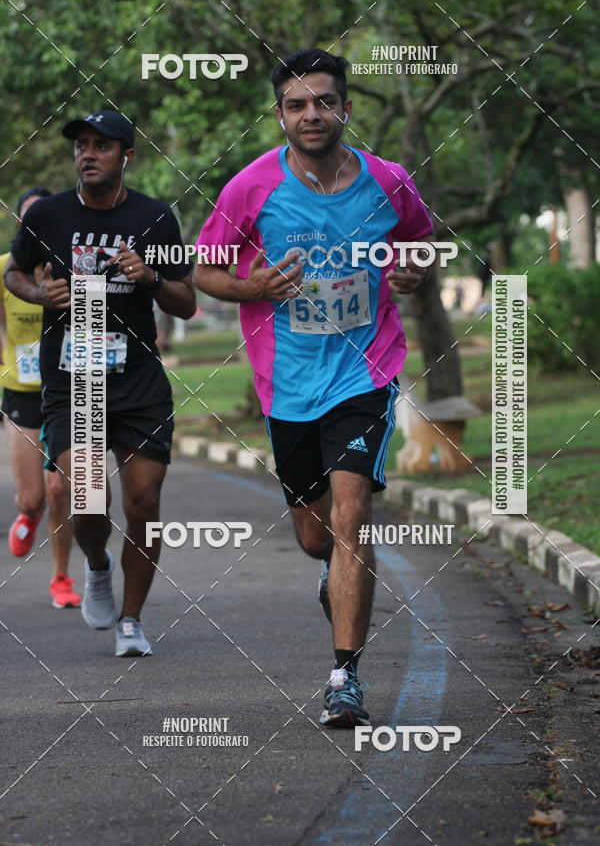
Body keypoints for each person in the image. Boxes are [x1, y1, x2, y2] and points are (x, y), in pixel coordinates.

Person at [193, 49, 433, 726]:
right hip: (289, 383)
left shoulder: (388, 181)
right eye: (297, 105)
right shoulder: (249, 188)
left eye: (324, 102)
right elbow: (207, 271)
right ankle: (340, 581)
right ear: (279, 116)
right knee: (315, 536)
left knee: (353, 514)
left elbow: (418, 239)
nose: (311, 115)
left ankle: (344, 676)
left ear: (346, 109)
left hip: (366, 372)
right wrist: (253, 287)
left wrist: (412, 270)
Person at [5, 110, 196, 656]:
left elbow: (185, 301)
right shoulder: (47, 215)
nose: (88, 154)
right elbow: (14, 272)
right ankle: (95, 563)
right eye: (81, 146)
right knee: (87, 499)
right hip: (73, 379)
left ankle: (132, 621)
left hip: (137, 380)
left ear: (126, 156)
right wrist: (40, 295)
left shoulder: (156, 219)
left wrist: (151, 277)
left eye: (102, 146)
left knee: (144, 501)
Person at [0, 188, 80, 608]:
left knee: (60, 488)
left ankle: (61, 577)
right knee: (34, 496)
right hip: (21, 392)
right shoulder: (5, 272)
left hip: (64, 388)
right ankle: (27, 515)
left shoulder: (73, 268)